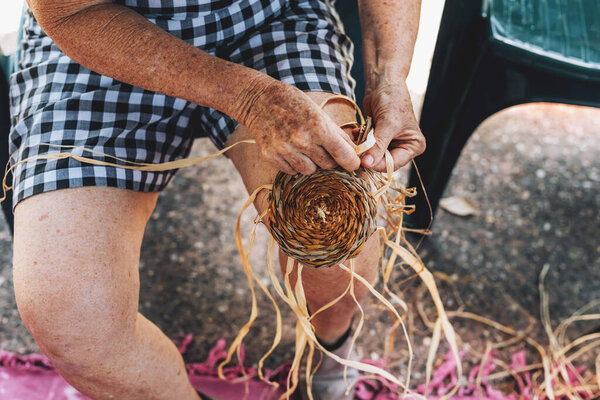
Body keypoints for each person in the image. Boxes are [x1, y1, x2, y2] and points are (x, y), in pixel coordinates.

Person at [9, 0, 424, 399]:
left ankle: (329, 358)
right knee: (70, 315)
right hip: (98, 34)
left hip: (266, 18)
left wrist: (390, 76)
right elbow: (69, 10)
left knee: (339, 237)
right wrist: (251, 99)